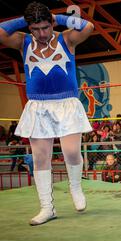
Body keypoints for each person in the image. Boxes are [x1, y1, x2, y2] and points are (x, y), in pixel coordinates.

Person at [0, 2, 94, 225]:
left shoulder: (67, 39)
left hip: (66, 103)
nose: (41, 34)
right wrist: (26, 20)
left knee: (71, 152)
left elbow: (88, 26)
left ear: (51, 24)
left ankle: (75, 187)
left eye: (45, 27)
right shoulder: (23, 42)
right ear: (29, 28)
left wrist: (57, 18)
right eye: (35, 29)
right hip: (38, 106)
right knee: (40, 158)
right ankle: (47, 207)